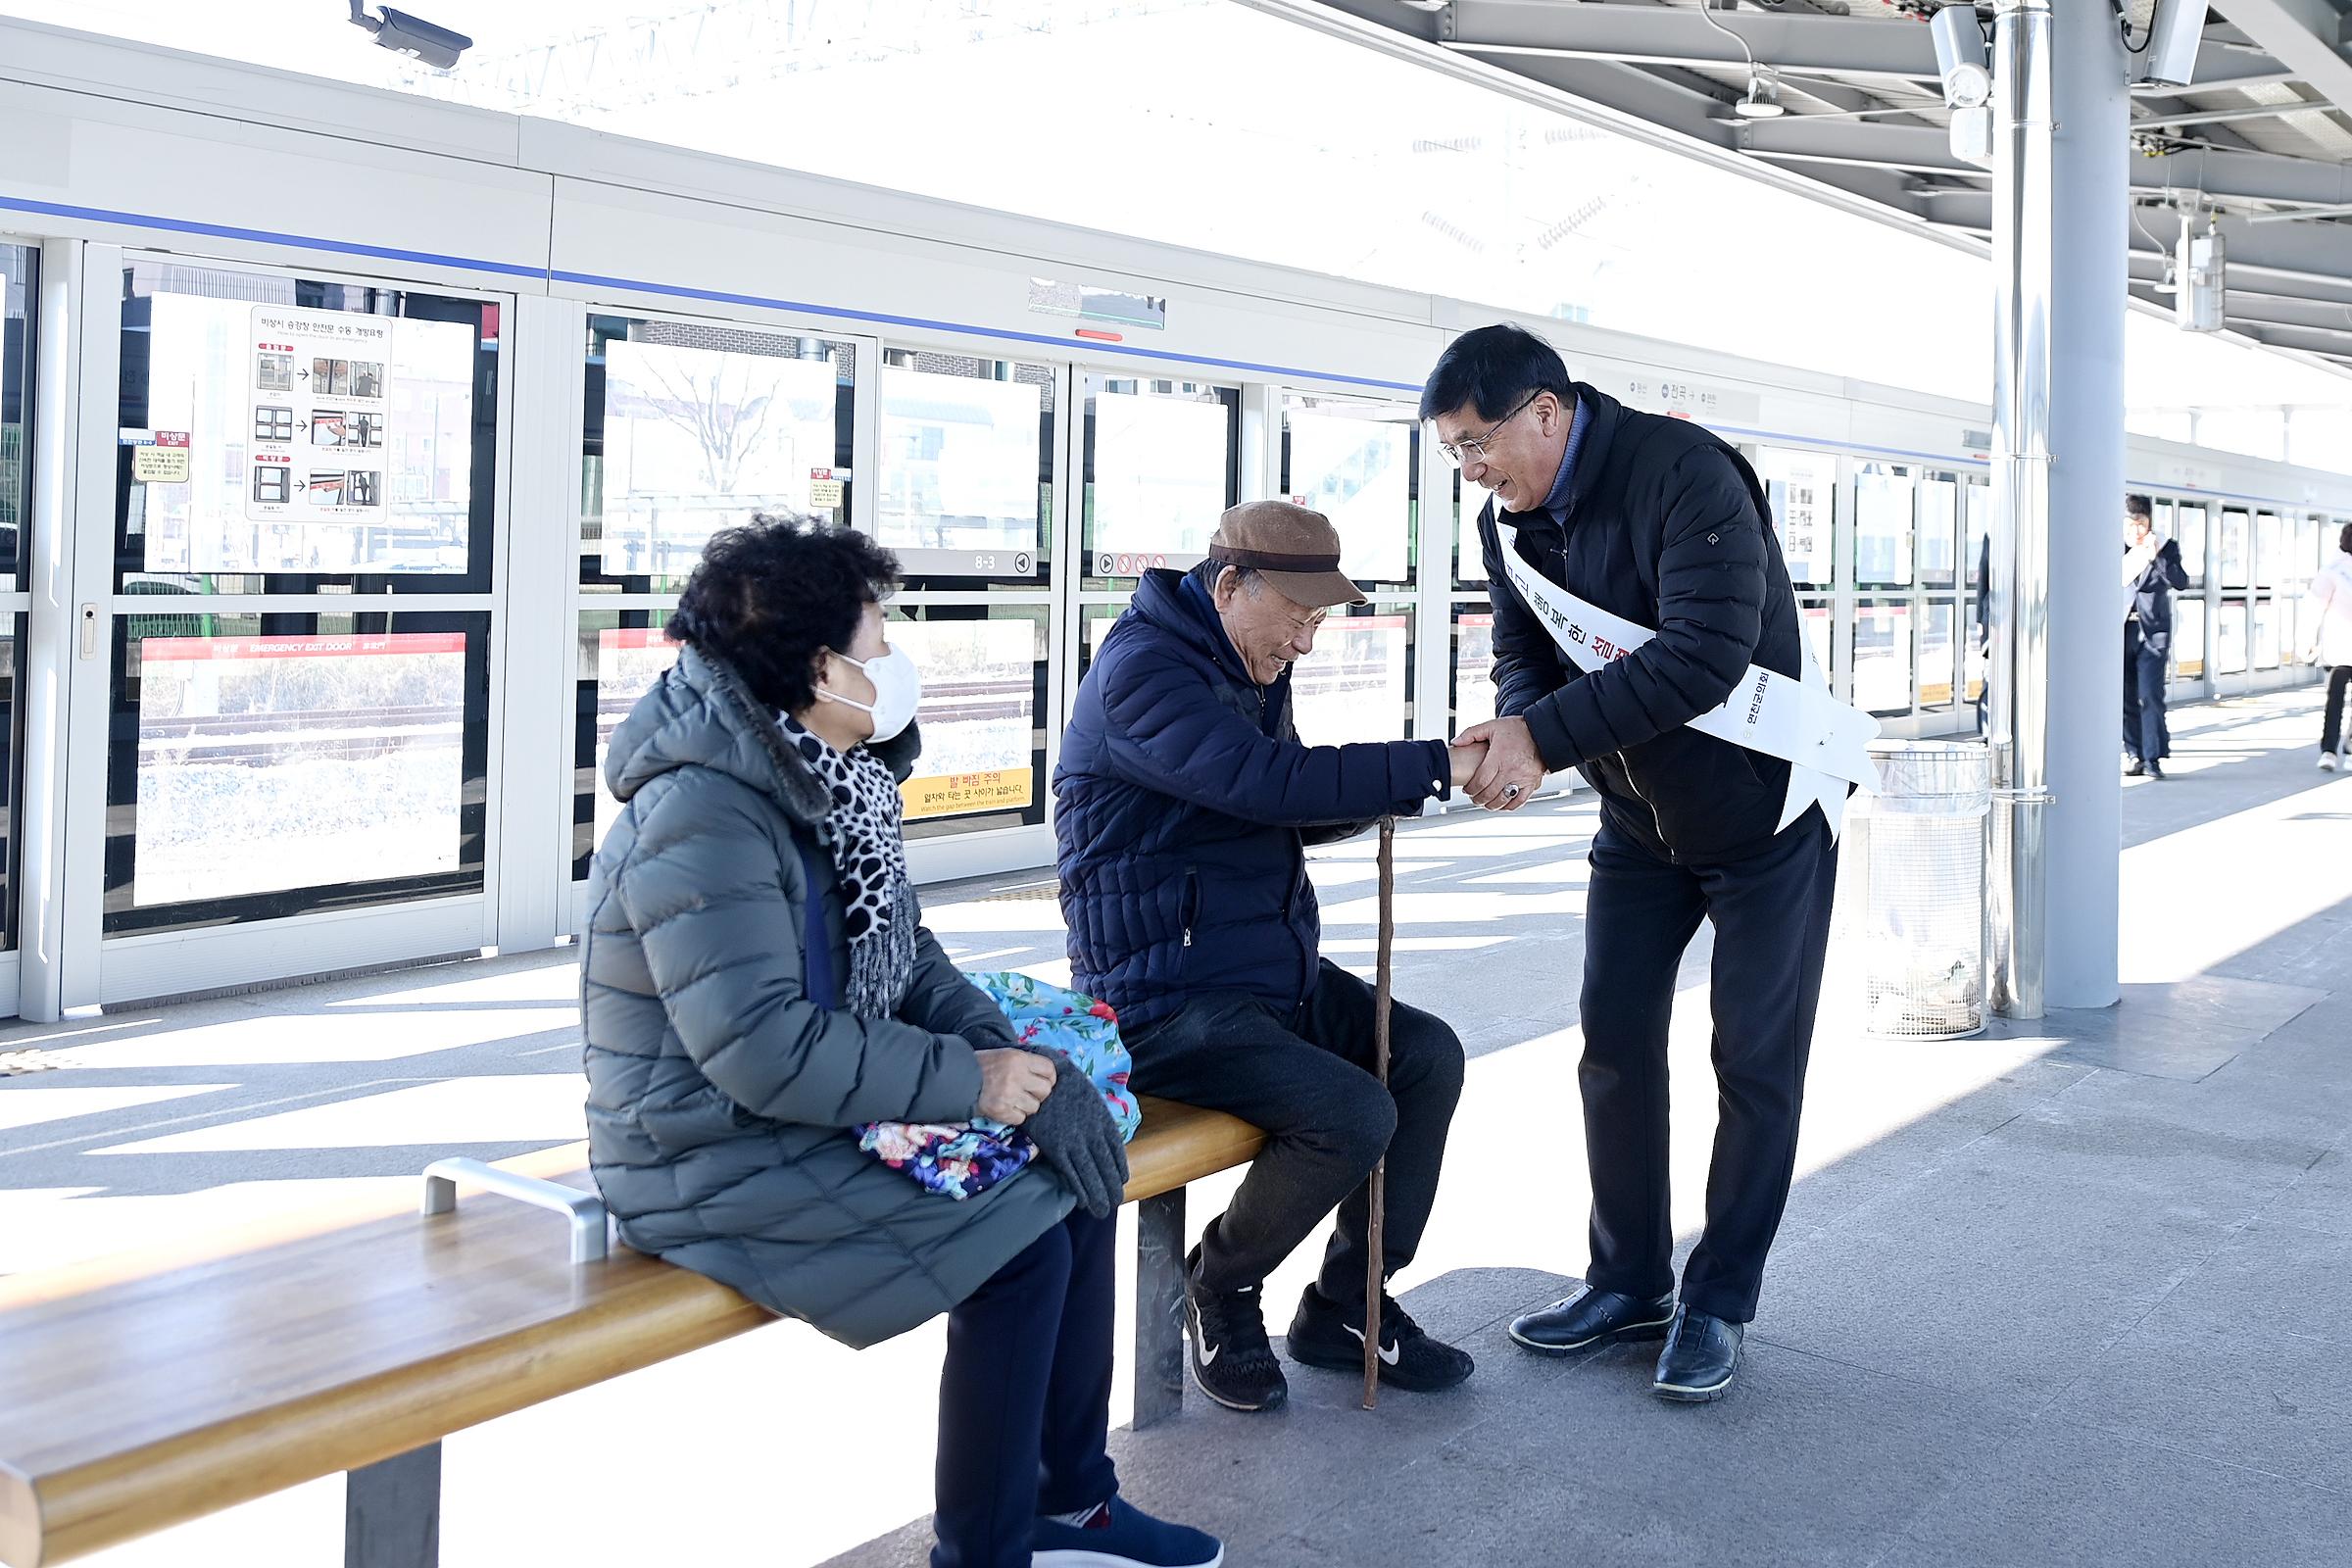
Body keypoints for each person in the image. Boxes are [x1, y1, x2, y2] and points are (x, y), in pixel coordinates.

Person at [581, 516, 1219, 1568]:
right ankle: (985, 1549)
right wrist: (972, 1080)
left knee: (1078, 1175)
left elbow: (907, 959)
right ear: (819, 664)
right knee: (1018, 1245)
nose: (892, 663)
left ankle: (1071, 1502)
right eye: (877, 645)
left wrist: (1022, 1064)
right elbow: (760, 1048)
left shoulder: (818, 776)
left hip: (800, 1109)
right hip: (703, 1149)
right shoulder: (706, 812)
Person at [1429, 323, 1840, 1404]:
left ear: (1548, 412)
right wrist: (1522, 723)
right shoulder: (1506, 527)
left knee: (1754, 1063)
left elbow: (1707, 657)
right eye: (1456, 456)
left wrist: (1544, 736)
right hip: (1638, 824)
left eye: (1480, 445)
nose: (1474, 472)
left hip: (1764, 820)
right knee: (1610, 1042)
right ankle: (1627, 1280)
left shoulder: (1686, 473)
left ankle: (1717, 1300)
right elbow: (1522, 648)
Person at [1054, 501, 1480, 1414]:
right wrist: (1427, 763)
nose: (1308, 643)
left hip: (1258, 977)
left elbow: (1272, 803)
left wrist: (1400, 789)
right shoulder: (1145, 673)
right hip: (1163, 1000)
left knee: (1427, 1056)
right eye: (1299, 617)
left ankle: (1345, 1307)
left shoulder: (1238, 663)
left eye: (1320, 622)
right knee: (1351, 1111)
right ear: (1230, 585)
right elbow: (1261, 782)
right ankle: (1219, 1285)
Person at [2123, 493, 2189, 779]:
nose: (2136, 531)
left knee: (2150, 695)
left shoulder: (2165, 546)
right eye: (2130, 524)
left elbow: (2181, 582)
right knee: (2125, 696)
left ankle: (2153, 757)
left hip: (2153, 632)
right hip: (2121, 630)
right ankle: (2134, 753)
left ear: (2149, 522)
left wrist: (2157, 557)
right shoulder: (2114, 547)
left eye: (2141, 524)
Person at [2306, 521, 2352, 771]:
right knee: (2335, 701)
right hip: (2341, 649)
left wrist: (2307, 641)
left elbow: (2314, 607)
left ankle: (2329, 751)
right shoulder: (2334, 570)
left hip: (2338, 651)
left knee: (2334, 702)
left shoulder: (2331, 570)